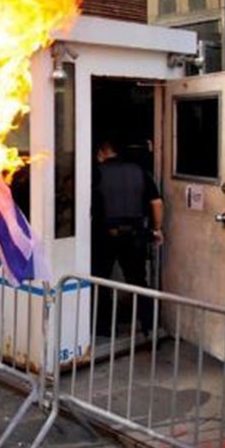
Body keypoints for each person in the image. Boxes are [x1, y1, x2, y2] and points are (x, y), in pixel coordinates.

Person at [92, 138, 163, 336]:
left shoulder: (95, 173)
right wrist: (157, 229)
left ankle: (104, 328)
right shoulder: (140, 172)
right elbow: (156, 203)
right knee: (138, 281)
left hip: (105, 235)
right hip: (135, 234)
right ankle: (148, 326)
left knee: (101, 281)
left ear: (104, 150)